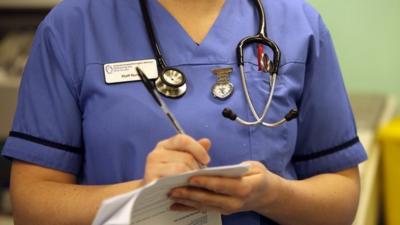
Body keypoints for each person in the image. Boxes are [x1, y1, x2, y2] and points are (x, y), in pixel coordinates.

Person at [1, 0, 368, 224]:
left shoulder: (297, 24)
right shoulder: (72, 27)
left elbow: (341, 199)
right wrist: (142, 193)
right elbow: (33, 207)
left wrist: (271, 195)